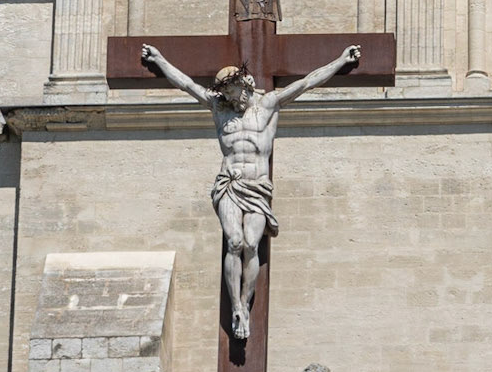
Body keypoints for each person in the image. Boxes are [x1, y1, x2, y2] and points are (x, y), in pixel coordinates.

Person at [139, 41, 361, 341]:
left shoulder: (268, 105)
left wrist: (340, 61)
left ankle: (246, 300)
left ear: (246, 86)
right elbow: (187, 85)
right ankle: (237, 308)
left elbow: (307, 82)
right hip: (229, 184)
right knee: (234, 241)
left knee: (251, 245)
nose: (233, 100)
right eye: (227, 95)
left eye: (235, 93)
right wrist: (161, 60)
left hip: (257, 187)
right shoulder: (219, 109)